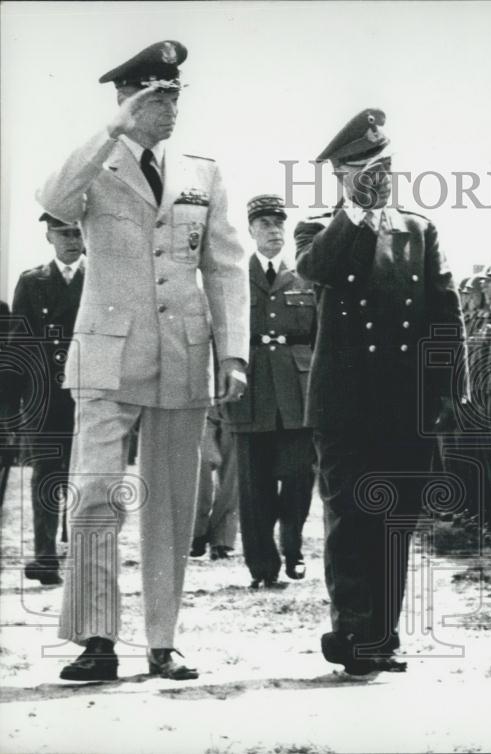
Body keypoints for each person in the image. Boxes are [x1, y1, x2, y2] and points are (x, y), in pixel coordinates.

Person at [37, 40, 249, 682]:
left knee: (172, 504)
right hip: (108, 354)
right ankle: (96, 639)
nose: (170, 107)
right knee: (98, 495)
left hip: (183, 353)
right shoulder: (97, 165)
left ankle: (163, 641)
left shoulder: (202, 171)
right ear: (128, 99)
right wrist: (111, 129)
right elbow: (54, 198)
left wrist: (232, 353)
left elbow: (226, 264)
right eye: (157, 96)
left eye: (176, 95)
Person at [295, 108, 465, 675]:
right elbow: (315, 269)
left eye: (385, 165)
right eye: (366, 168)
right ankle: (352, 628)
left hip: (404, 402)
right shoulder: (320, 228)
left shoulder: (419, 229)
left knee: (395, 520)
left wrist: (447, 390)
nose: (379, 177)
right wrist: (354, 212)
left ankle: (379, 635)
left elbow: (446, 312)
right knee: (349, 517)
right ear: (341, 174)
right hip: (344, 405)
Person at [221, 194, 315, 588]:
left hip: (297, 393)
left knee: (298, 478)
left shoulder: (306, 279)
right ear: (251, 231)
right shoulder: (234, 281)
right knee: (254, 487)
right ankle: (263, 567)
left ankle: (291, 545)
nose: (273, 230)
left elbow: (318, 336)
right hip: (252, 392)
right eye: (264, 224)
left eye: (279, 223)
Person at [10, 214, 86, 585]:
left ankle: (84, 557)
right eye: (64, 233)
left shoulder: (100, 278)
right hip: (45, 396)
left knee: (89, 477)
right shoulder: (32, 281)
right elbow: (19, 345)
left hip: (88, 392)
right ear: (48, 236)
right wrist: (17, 401)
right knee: (46, 477)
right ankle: (46, 558)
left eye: (78, 232)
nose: (72, 240)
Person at [190, 404, 238, 560]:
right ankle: (198, 531)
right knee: (199, 468)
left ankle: (221, 538)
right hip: (200, 405)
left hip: (237, 406)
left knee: (231, 479)